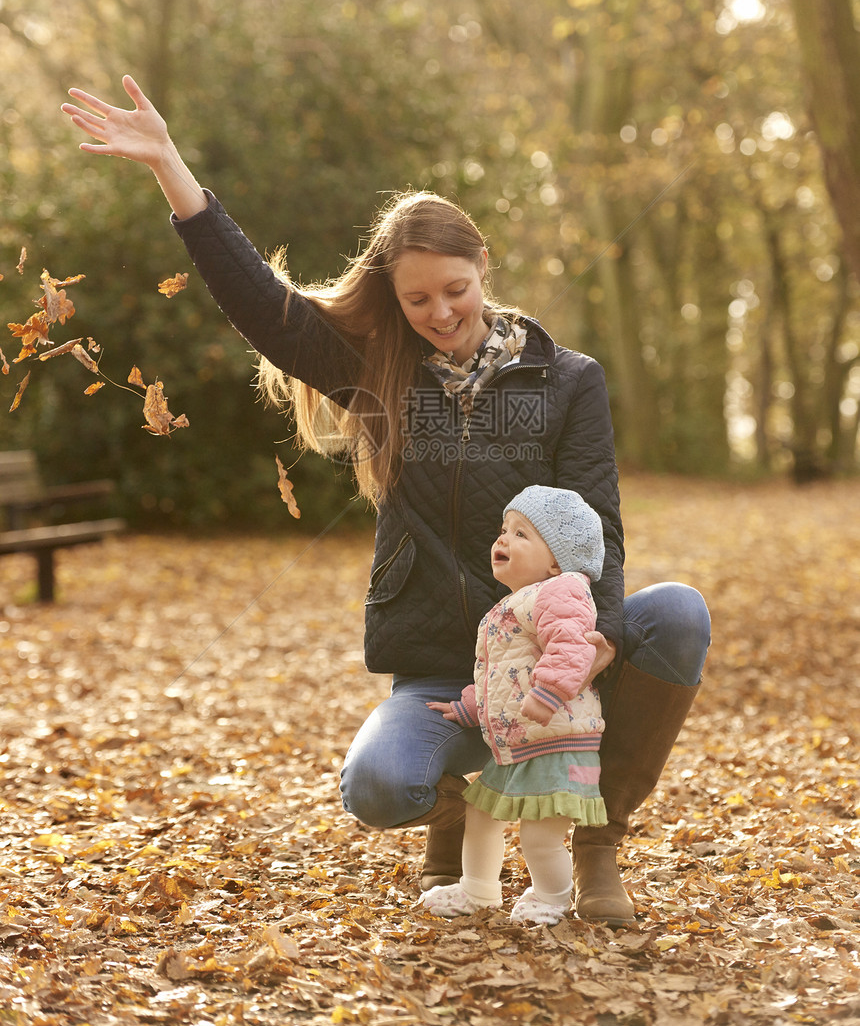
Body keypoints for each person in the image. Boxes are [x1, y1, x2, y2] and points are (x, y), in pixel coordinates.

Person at [61, 76, 711, 926]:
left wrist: (598, 639)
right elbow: (264, 306)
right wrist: (172, 171)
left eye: (456, 289)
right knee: (377, 785)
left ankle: (594, 841)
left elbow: (598, 526)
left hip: (549, 644)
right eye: (417, 299)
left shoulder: (567, 379)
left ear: (484, 268)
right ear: (395, 299)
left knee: (679, 615)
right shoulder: (380, 373)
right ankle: (455, 814)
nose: (440, 311)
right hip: (446, 666)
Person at [420, 485, 607, 926]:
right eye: (504, 529)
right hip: (519, 744)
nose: (502, 540)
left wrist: (548, 693)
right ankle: (478, 890)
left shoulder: (561, 591)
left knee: (541, 836)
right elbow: (499, 673)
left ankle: (553, 897)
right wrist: (467, 707)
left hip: (558, 742)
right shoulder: (515, 602)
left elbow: (572, 647)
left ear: (558, 559)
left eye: (521, 534)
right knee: (480, 813)